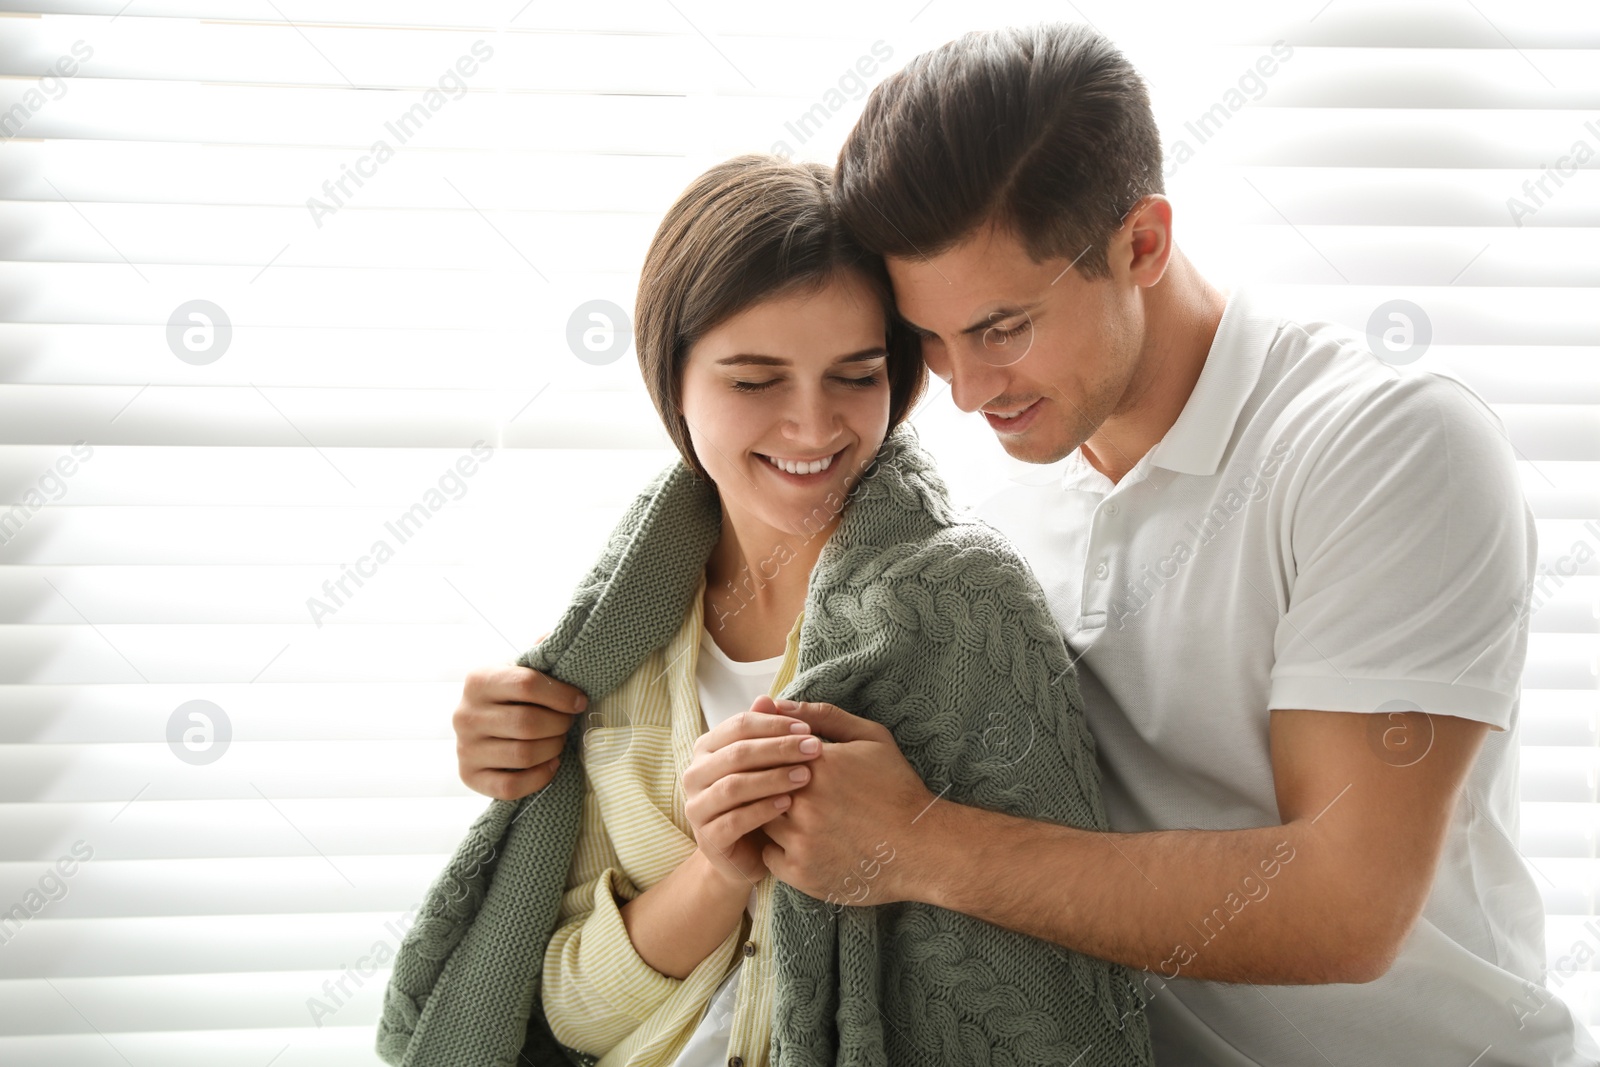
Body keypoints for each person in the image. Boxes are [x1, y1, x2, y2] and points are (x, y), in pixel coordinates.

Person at [454, 22, 1599, 1067]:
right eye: (928, 342)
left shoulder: (1381, 446)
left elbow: (1348, 907)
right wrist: (541, 714)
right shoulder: (990, 512)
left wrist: (919, 843)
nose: (961, 389)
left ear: (1142, 241)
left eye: (1001, 328)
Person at [394, 154, 1154, 1067]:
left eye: (856, 375)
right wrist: (718, 869)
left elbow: (1055, 994)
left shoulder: (964, 610)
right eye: (754, 381)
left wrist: (907, 842)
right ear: (669, 381)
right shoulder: (619, 646)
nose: (812, 426)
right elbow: (572, 1010)